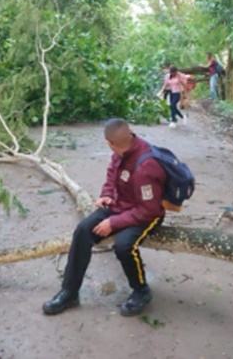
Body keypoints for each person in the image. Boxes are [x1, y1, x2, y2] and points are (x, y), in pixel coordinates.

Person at [42, 118, 166, 317]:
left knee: (124, 246)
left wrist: (113, 223)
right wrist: (107, 193)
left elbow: (149, 210)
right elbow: (112, 175)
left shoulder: (146, 166)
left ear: (110, 143)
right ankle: (70, 291)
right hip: (119, 205)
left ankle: (141, 291)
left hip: (145, 213)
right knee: (83, 231)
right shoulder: (121, 152)